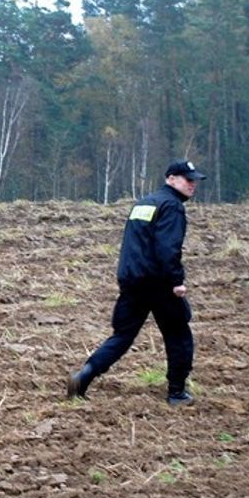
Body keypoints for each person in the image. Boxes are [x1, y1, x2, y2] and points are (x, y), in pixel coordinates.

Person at [66, 159, 206, 406]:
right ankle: (177, 393)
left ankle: (84, 377)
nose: (192, 184)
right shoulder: (172, 206)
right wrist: (176, 281)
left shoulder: (144, 203)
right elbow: (167, 248)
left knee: (122, 336)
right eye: (187, 179)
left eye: (194, 180)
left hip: (132, 281)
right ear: (171, 179)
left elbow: (133, 244)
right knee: (179, 334)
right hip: (159, 283)